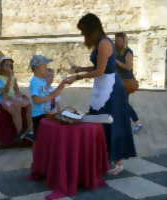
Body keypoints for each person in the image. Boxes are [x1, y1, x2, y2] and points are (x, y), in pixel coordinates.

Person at [67, 13, 136, 175]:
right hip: (103, 86)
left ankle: (117, 162)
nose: (83, 35)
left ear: (91, 29)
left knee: (113, 121)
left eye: (84, 31)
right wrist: (81, 68)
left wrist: (76, 77)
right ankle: (103, 157)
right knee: (97, 120)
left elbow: (100, 70)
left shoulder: (104, 43)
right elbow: (99, 67)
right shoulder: (100, 43)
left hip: (112, 89)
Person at [24, 55, 69, 142]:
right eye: (44, 65)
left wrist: (62, 84)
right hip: (39, 116)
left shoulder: (42, 81)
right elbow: (36, 100)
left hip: (45, 114)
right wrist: (51, 96)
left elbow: (50, 94)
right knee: (40, 141)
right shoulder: (35, 82)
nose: (46, 68)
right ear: (37, 68)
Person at [0, 56, 34, 138]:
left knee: (29, 104)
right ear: (1, 66)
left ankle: (30, 129)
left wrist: (22, 95)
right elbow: (5, 92)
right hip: (4, 97)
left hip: (13, 97)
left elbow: (16, 90)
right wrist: (9, 78)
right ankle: (20, 132)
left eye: (10, 65)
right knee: (17, 106)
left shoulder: (13, 77)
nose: (9, 67)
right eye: (6, 65)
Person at [115, 32, 143, 133]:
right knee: (120, 103)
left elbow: (128, 67)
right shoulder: (115, 51)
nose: (117, 42)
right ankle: (126, 123)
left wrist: (116, 62)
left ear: (124, 41)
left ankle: (137, 123)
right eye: (116, 40)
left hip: (127, 82)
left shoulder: (128, 52)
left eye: (119, 40)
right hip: (118, 81)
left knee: (123, 103)